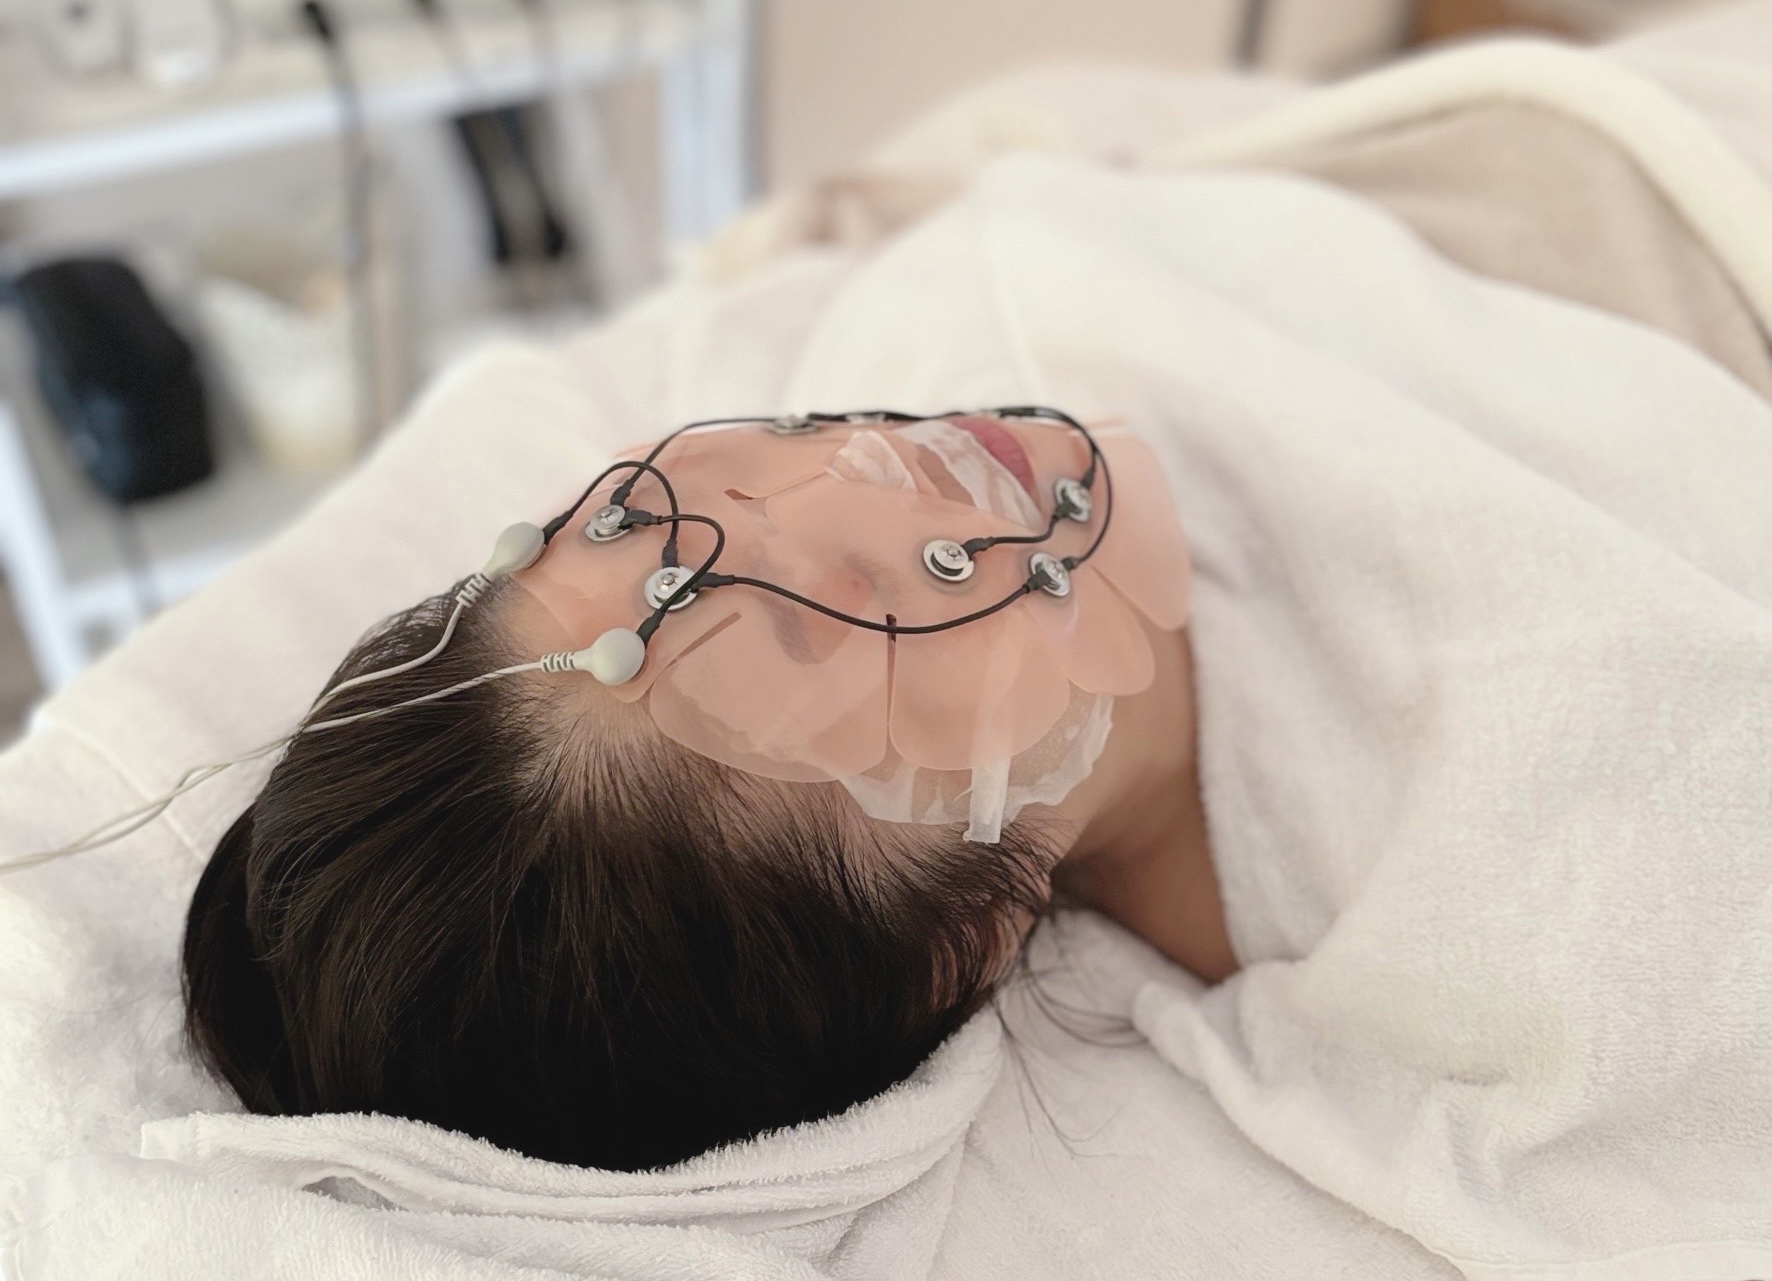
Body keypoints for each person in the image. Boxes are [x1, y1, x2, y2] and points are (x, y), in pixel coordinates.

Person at [181, 409, 1234, 1173]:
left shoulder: (972, 285)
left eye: (642, 521)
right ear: (961, 941)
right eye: (822, 626)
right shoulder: (1334, 918)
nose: (862, 460)